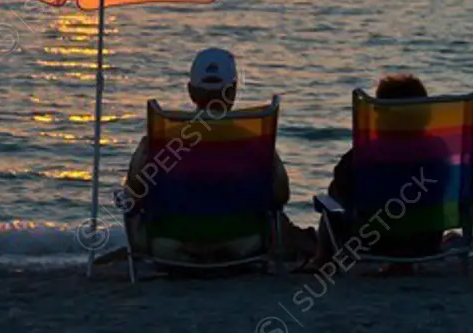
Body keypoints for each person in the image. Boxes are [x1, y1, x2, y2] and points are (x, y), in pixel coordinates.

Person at [123, 48, 315, 264]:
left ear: (190, 91)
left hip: (169, 245)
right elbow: (281, 194)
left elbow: (133, 193)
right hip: (244, 243)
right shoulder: (255, 142)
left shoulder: (158, 143)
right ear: (232, 92)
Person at [310, 73, 447, 271]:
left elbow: (341, 182)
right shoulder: (439, 149)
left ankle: (322, 258)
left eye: (377, 108)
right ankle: (403, 266)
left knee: (334, 195)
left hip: (373, 242)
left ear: (384, 114)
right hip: (426, 242)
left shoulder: (367, 152)